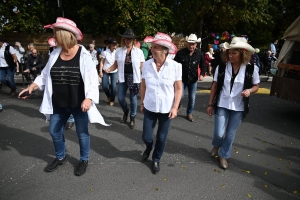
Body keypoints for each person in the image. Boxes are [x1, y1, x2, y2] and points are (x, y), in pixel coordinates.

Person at [19, 17, 109, 176]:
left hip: (78, 103)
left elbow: (93, 80)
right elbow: (45, 75)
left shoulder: (84, 55)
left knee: (82, 134)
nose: (53, 37)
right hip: (59, 103)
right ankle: (61, 157)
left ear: (64, 35)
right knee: (54, 131)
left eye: (55, 34)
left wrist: (89, 98)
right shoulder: (55, 53)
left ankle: (84, 159)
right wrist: (31, 86)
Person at [207, 37, 260, 169]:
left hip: (239, 106)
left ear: (242, 53)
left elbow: (256, 86)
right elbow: (214, 86)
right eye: (229, 53)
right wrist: (209, 104)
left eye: (234, 53)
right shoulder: (222, 67)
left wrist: (249, 91)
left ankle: (223, 156)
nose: (230, 55)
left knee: (230, 134)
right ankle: (216, 144)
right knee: (219, 133)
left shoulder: (251, 69)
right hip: (222, 103)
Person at [140, 32, 182, 174]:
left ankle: (156, 159)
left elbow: (178, 89)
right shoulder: (146, 65)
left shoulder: (175, 66)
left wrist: (175, 107)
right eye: (153, 46)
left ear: (164, 50)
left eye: (156, 47)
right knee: (146, 136)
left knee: (162, 137)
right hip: (150, 106)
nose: (152, 49)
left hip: (166, 108)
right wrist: (141, 102)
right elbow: (143, 85)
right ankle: (148, 147)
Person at [105, 28, 145, 129]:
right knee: (121, 98)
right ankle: (126, 111)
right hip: (123, 77)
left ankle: (132, 117)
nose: (128, 41)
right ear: (124, 39)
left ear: (133, 40)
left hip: (134, 78)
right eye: (126, 39)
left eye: (130, 39)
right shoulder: (119, 51)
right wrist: (109, 69)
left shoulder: (139, 52)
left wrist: (145, 78)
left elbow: (142, 66)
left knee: (133, 98)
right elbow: (116, 64)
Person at [174, 33, 206, 122]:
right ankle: (176, 107)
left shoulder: (199, 54)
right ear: (187, 43)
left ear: (196, 44)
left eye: (193, 44)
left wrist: (202, 74)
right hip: (182, 79)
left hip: (193, 79)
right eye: (190, 44)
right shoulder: (180, 53)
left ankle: (189, 113)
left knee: (192, 98)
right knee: (181, 96)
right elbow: (174, 65)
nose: (191, 46)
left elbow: (204, 66)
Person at [99, 38, 118, 106]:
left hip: (114, 71)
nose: (114, 46)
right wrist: (100, 71)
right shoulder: (105, 52)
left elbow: (118, 63)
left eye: (115, 45)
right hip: (105, 70)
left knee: (113, 87)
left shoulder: (117, 52)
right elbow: (101, 62)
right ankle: (109, 96)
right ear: (110, 45)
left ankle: (112, 100)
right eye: (113, 44)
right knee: (104, 86)